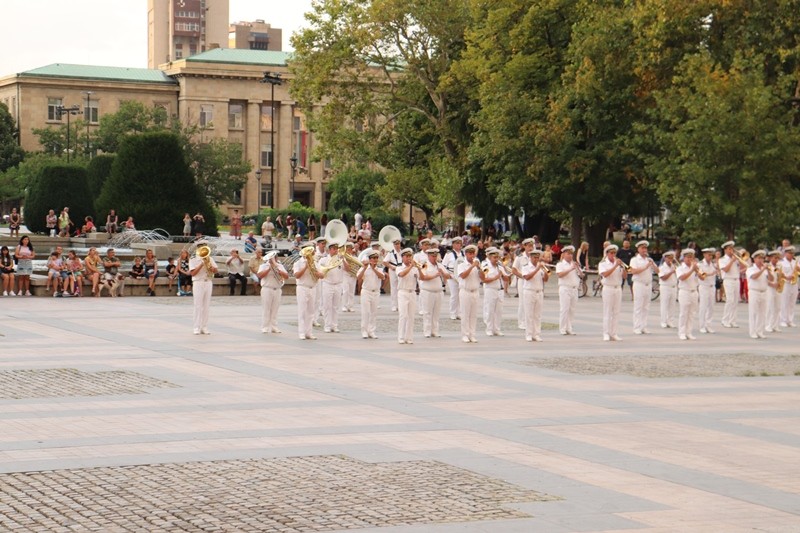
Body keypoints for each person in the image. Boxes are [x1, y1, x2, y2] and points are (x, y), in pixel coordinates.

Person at [419, 245, 451, 338]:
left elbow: (448, 276)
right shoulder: (424, 265)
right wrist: (435, 275)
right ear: (428, 256)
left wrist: (443, 273)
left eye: (435, 256)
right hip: (427, 291)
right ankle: (427, 331)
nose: (434, 258)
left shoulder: (440, 265)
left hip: (438, 291)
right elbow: (423, 277)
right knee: (427, 312)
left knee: (436, 313)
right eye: (432, 256)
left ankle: (435, 331)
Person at [629, 240, 658, 335]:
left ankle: (643, 326)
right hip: (639, 284)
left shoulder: (649, 260)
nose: (644, 250)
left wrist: (652, 264)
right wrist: (645, 267)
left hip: (648, 285)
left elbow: (658, 271)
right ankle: (636, 327)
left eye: (645, 248)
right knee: (638, 306)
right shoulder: (634, 260)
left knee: (646, 307)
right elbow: (632, 271)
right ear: (638, 249)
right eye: (642, 248)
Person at [457, 244, 485, 343]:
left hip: (475, 291)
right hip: (465, 291)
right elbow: (463, 276)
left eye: (473, 253)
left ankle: (472, 334)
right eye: (470, 253)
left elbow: (483, 278)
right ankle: (465, 335)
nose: (472, 255)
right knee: (465, 314)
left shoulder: (477, 264)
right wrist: (472, 266)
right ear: (466, 254)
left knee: (473, 315)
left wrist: (479, 268)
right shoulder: (461, 264)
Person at [189, 241, 218, 334]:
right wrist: (201, 264)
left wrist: (211, 268)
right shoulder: (193, 259)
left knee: (206, 306)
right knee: (198, 305)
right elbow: (193, 273)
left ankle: (204, 326)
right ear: (198, 249)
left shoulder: (210, 259)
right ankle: (196, 327)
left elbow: (216, 271)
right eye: (202, 248)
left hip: (208, 282)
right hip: (198, 282)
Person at [257, 251, 289, 334]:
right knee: (266, 309)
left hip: (277, 289)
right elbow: (260, 276)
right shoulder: (263, 266)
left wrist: (277, 267)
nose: (273, 259)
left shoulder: (280, 266)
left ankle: (274, 327)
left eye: (274, 257)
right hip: (267, 288)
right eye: (271, 258)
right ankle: (265, 327)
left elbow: (286, 276)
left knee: (275, 309)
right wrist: (269, 268)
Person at [599, 244, 625, 341]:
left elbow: (625, 276)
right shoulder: (603, 264)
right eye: (611, 253)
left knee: (616, 312)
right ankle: (606, 333)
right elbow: (605, 274)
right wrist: (615, 266)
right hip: (608, 288)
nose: (613, 255)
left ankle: (614, 333)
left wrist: (623, 267)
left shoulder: (618, 264)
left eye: (614, 253)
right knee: (607, 311)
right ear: (607, 254)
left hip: (618, 288)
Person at [521, 248, 548, 341]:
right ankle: (528, 334)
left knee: (537, 315)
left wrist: (546, 273)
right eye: (534, 258)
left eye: (538, 258)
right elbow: (527, 277)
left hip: (539, 292)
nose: (536, 260)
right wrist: (537, 269)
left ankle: (536, 334)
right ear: (530, 257)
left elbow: (545, 280)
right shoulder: (526, 266)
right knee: (529, 314)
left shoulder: (540, 267)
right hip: (529, 291)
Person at [357, 250, 385, 339]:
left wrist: (373, 269)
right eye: (373, 258)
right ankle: (364, 331)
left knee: (374, 313)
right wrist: (365, 268)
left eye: (376, 258)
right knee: (366, 312)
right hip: (366, 291)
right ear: (369, 259)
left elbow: (382, 277)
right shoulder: (364, 267)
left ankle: (371, 331)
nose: (375, 260)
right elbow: (358, 277)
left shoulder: (379, 268)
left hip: (376, 292)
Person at [294, 245, 320, 340]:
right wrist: (305, 267)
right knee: (302, 311)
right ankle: (301, 332)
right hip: (302, 287)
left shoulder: (315, 263)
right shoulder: (298, 263)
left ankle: (309, 332)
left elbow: (321, 275)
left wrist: (315, 271)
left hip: (312, 288)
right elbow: (297, 275)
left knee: (310, 311)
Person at [396, 247, 421, 344]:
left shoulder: (414, 268)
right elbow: (401, 274)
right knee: (403, 315)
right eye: (407, 256)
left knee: (411, 316)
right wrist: (411, 267)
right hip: (403, 292)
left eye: (410, 256)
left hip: (412, 292)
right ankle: (401, 337)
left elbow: (422, 278)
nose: (409, 258)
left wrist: (419, 270)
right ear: (402, 257)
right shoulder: (399, 267)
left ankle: (409, 337)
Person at [319, 242, 345, 333]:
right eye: (334, 249)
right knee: (327, 306)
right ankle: (327, 325)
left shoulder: (340, 260)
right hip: (327, 284)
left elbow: (348, 269)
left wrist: (344, 259)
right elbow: (319, 272)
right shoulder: (324, 260)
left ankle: (334, 325)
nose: (336, 251)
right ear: (329, 250)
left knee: (336, 306)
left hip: (338, 284)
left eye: (337, 249)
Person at [481, 247, 507, 337]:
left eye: (497, 257)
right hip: (490, 289)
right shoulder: (485, 265)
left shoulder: (499, 265)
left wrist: (505, 274)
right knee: (490, 310)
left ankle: (497, 329)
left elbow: (506, 278)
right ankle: (489, 329)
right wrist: (495, 277)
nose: (496, 259)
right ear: (489, 257)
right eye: (494, 258)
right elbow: (484, 279)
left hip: (500, 290)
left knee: (499, 311)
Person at [555, 245, 581, 335]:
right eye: (568, 254)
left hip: (574, 289)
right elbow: (560, 275)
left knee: (572, 309)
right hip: (565, 288)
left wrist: (578, 269)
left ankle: (569, 328)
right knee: (564, 309)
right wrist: (570, 269)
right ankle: (562, 328)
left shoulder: (574, 264)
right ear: (564, 254)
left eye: (571, 254)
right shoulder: (560, 264)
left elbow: (581, 276)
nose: (570, 256)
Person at [676, 248, 701, 340]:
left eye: (691, 257)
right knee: (684, 313)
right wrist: (691, 270)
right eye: (688, 257)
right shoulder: (680, 268)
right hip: (684, 292)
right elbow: (682, 278)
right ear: (684, 258)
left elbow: (703, 278)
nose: (690, 259)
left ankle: (689, 332)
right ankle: (682, 332)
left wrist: (697, 271)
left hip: (694, 291)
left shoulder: (695, 267)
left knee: (692, 313)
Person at [747, 250, 771, 339]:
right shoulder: (750, 269)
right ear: (754, 259)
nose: (761, 260)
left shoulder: (764, 269)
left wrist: (768, 271)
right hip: (754, 292)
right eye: (759, 258)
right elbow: (754, 277)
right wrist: (763, 269)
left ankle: (760, 331)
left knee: (762, 313)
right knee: (753, 312)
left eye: (762, 258)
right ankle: (753, 332)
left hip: (764, 292)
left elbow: (771, 279)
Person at [512, 238, 534, 330]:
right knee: (522, 302)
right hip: (522, 281)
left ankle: (529, 321)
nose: (531, 248)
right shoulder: (520, 257)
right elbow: (514, 270)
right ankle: (521, 322)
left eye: (532, 246)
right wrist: (523, 276)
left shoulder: (534, 257)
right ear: (524, 246)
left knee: (531, 302)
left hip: (532, 281)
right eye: (529, 246)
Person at [719, 241, 741, 328]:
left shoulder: (735, 258)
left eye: (732, 249)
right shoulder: (722, 260)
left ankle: (733, 321)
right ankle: (725, 320)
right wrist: (732, 261)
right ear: (725, 250)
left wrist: (739, 259)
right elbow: (726, 270)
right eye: (729, 249)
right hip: (728, 280)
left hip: (736, 280)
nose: (731, 250)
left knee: (735, 301)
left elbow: (743, 267)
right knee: (730, 300)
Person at [441, 236, 465, 319]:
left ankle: (459, 313)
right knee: (454, 295)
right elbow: (443, 266)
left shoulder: (464, 253)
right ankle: (453, 313)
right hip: (452, 276)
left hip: (461, 276)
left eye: (460, 243)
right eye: (457, 243)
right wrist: (447, 274)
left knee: (461, 295)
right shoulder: (449, 254)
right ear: (453, 244)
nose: (458, 245)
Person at [697, 247, 718, 333]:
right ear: (704, 255)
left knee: (711, 307)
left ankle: (708, 325)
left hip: (712, 287)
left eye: (711, 255)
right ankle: (702, 326)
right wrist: (711, 274)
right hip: (704, 287)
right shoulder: (700, 264)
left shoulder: (712, 264)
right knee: (703, 307)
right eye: (709, 255)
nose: (710, 257)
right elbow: (701, 276)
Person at [658, 251, 678, 329]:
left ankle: (670, 321)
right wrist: (672, 271)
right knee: (664, 304)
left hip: (673, 287)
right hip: (665, 287)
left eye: (672, 258)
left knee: (672, 305)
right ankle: (663, 321)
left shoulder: (674, 266)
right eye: (669, 258)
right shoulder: (661, 267)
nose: (670, 259)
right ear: (665, 258)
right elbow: (663, 278)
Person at [779, 245, 798, 327]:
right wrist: (786, 276)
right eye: (790, 253)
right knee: (784, 302)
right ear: (785, 253)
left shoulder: (795, 262)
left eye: (793, 253)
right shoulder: (781, 263)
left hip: (794, 284)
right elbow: (779, 274)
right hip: (785, 283)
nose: (792, 255)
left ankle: (790, 320)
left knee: (792, 302)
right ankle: (783, 320)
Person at [384, 237, 403, 312]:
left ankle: (400, 304)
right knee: (394, 287)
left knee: (401, 287)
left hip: (401, 269)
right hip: (393, 270)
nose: (397, 245)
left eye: (398, 244)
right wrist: (391, 267)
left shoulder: (403, 252)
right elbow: (385, 262)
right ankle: (394, 305)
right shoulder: (390, 253)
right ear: (393, 245)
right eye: (395, 244)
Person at [766, 250, 783, 333]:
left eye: (777, 258)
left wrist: (780, 280)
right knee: (770, 307)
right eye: (775, 258)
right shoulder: (767, 267)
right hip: (770, 288)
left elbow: (779, 276)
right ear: (770, 258)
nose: (776, 260)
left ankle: (775, 325)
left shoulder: (777, 267)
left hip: (777, 288)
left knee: (778, 307)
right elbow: (765, 279)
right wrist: (772, 284)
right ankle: (768, 325)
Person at [340, 242, 358, 313]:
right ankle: (344, 306)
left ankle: (350, 306)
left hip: (352, 276)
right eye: (347, 249)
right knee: (345, 291)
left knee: (351, 292)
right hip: (345, 276)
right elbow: (345, 268)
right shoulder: (342, 258)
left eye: (350, 249)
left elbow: (357, 267)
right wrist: (344, 260)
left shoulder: (355, 258)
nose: (349, 250)